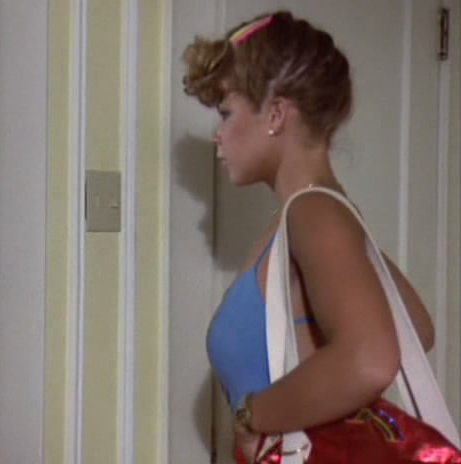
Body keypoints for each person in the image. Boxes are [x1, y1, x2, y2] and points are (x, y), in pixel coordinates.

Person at [181, 11, 436, 461]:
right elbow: (416, 328)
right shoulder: (318, 214)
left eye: (225, 113)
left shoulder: (313, 214)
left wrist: (252, 415)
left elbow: (371, 359)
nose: (218, 136)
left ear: (276, 114)